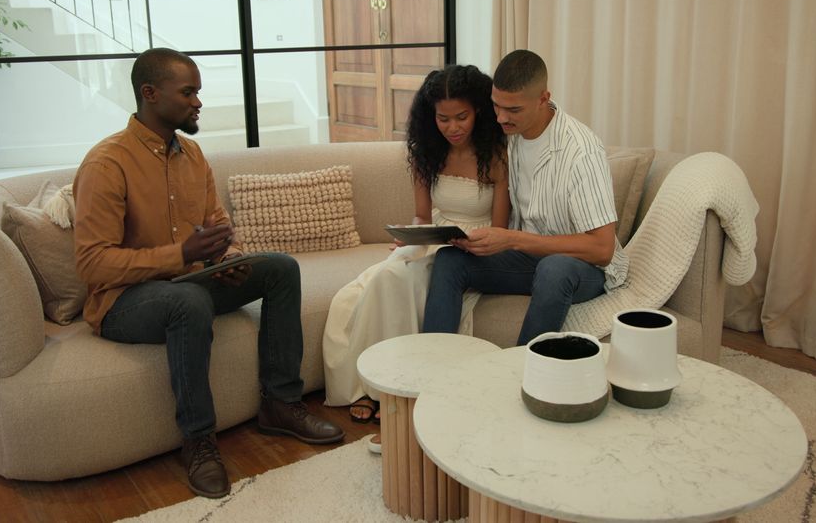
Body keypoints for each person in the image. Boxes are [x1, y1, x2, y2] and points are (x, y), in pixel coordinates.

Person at [72, 48, 344, 500]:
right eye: (188, 92)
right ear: (150, 94)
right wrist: (180, 255)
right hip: (124, 302)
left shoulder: (193, 155)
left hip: (187, 285)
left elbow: (218, 226)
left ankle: (281, 403)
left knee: (279, 268)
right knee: (189, 300)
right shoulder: (107, 164)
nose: (198, 102)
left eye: (198, 91)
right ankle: (198, 440)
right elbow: (92, 263)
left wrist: (227, 258)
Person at [322, 64, 509, 446]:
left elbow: (500, 227)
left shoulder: (497, 156)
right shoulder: (426, 152)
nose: (453, 127)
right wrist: (412, 235)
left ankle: (400, 388)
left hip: (474, 249)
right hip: (430, 240)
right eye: (443, 119)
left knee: (411, 279)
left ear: (479, 112)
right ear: (431, 117)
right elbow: (422, 215)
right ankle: (373, 387)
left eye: (462, 117)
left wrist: (474, 242)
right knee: (388, 277)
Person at [421, 49, 628, 346]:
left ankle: (520, 374)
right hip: (530, 260)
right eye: (496, 106)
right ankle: (432, 371)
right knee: (450, 261)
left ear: (543, 98)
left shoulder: (580, 151)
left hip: (583, 269)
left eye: (513, 110)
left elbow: (602, 249)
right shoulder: (507, 134)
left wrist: (511, 239)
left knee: (554, 268)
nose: (501, 118)